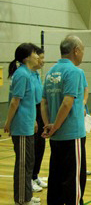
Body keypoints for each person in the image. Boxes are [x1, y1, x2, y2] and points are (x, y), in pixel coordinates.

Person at [41, 35, 91, 205]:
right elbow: (68, 102)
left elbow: (44, 102)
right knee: (74, 177)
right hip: (71, 134)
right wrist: (54, 127)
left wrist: (48, 125)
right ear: (76, 51)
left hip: (55, 136)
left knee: (56, 174)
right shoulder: (75, 71)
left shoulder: (51, 72)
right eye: (83, 50)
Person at [4, 43, 41, 205]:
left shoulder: (29, 74)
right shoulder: (22, 75)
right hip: (20, 126)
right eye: (34, 53)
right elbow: (15, 102)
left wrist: (33, 120)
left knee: (29, 162)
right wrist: (8, 122)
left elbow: (29, 101)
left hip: (27, 124)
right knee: (23, 164)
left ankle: (27, 196)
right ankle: (21, 200)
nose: (37, 57)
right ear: (26, 57)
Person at [31, 47, 48, 191]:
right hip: (31, 112)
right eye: (40, 57)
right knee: (31, 148)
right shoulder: (25, 75)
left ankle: (35, 175)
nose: (42, 61)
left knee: (40, 145)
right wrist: (33, 118)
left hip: (39, 111)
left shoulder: (36, 74)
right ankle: (29, 178)